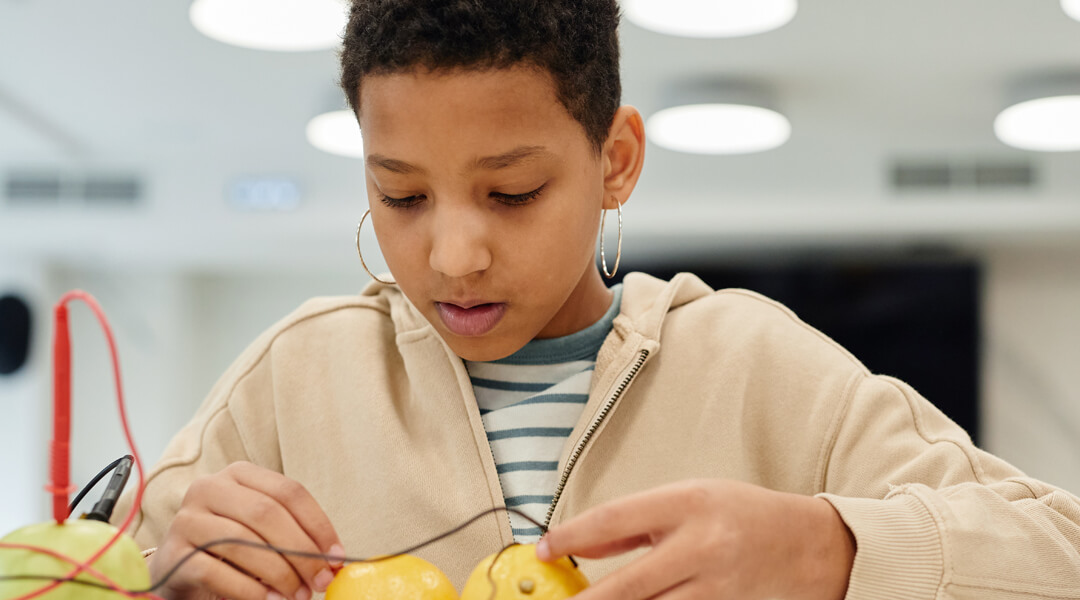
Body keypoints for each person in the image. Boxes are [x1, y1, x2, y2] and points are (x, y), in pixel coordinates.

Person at [114, 1, 1080, 599]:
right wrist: (169, 582)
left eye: (513, 193)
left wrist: (828, 550)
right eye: (401, 195)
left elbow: (1058, 556)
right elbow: (80, 574)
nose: (454, 255)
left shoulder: (754, 365)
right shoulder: (295, 381)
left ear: (615, 160)